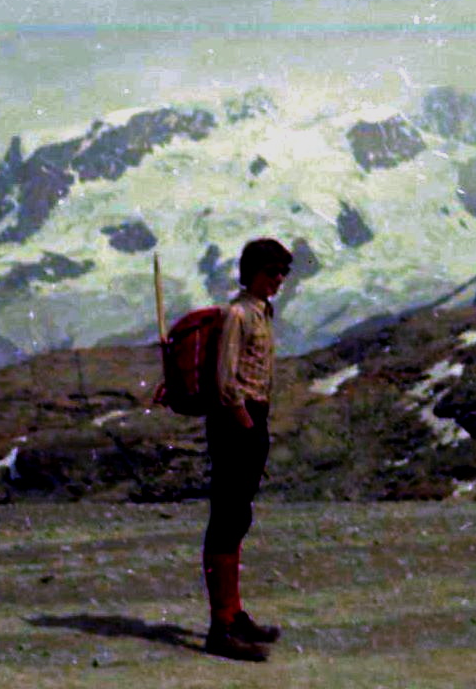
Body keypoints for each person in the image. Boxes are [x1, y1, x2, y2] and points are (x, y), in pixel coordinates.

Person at [202, 237, 292, 662]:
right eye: (271, 272)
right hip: (238, 421)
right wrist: (243, 421)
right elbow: (225, 376)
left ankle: (233, 614)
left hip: (252, 418)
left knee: (237, 515)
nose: (278, 280)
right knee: (227, 515)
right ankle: (220, 626)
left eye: (282, 274)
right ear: (252, 272)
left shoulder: (260, 311)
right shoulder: (237, 314)